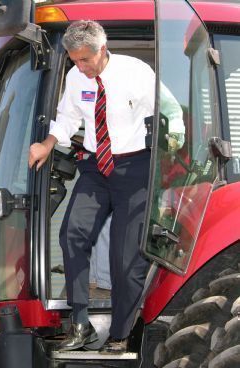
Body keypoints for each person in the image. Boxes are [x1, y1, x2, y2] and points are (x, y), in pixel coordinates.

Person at [28, 20, 184, 353]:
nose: (80, 67)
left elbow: (170, 109)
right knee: (72, 234)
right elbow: (68, 117)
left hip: (136, 168)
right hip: (97, 167)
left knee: (124, 259)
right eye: (74, 60)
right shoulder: (75, 78)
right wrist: (47, 144)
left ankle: (120, 334)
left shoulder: (136, 73)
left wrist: (173, 147)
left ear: (103, 48)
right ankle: (80, 324)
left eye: (85, 59)